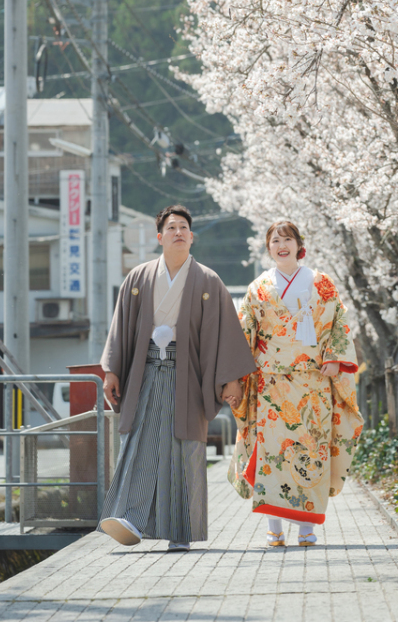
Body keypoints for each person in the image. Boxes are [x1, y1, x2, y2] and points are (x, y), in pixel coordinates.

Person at [98, 203, 256, 551]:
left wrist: (231, 379)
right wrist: (111, 370)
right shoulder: (138, 278)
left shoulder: (208, 281)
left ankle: (181, 531)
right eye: (171, 228)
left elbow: (226, 334)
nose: (178, 232)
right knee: (139, 443)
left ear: (192, 236)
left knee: (184, 450)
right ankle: (131, 519)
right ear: (159, 237)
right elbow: (120, 328)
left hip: (188, 377)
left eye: (184, 227)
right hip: (145, 373)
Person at [228, 221, 363, 547]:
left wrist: (333, 355)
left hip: (313, 383)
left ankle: (306, 528)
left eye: (287, 239)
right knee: (272, 456)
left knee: (310, 453)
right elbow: (244, 334)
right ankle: (274, 527)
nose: (281, 245)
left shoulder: (322, 283)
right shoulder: (257, 288)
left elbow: (338, 324)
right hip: (271, 387)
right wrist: (234, 379)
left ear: (299, 245)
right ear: (268, 247)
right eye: (275, 240)